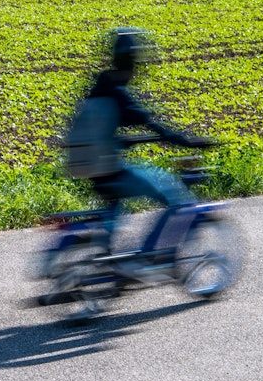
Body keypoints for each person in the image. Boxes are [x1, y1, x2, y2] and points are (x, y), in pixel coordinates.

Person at [70, 28, 214, 280]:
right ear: (133, 61)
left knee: (116, 206)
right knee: (175, 196)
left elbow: (100, 127)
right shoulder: (119, 93)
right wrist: (186, 142)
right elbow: (151, 123)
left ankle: (111, 261)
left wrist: (121, 141)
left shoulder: (99, 86)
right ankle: (151, 257)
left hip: (88, 167)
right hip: (110, 170)